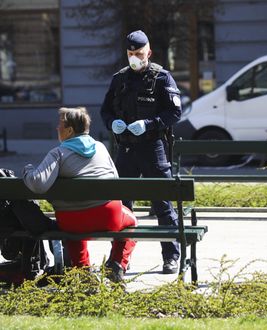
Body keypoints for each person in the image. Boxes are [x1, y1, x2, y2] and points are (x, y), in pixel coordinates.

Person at [23, 107, 137, 282]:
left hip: (71, 221)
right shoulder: (101, 147)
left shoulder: (58, 153)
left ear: (69, 130)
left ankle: (83, 272)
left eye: (60, 125)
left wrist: (28, 170)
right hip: (108, 217)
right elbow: (115, 181)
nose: (57, 128)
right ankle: (117, 263)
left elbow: (38, 183)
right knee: (132, 222)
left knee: (74, 229)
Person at [100, 30, 182, 274]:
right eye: (130, 54)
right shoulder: (120, 79)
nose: (134, 57)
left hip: (152, 148)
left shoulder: (162, 78)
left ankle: (171, 257)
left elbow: (174, 113)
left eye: (138, 53)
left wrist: (149, 124)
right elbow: (105, 110)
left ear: (149, 53)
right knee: (122, 208)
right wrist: (111, 122)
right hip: (126, 148)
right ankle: (119, 261)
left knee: (163, 205)